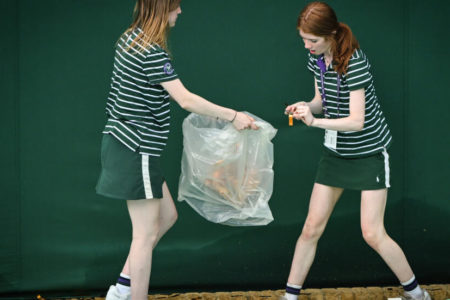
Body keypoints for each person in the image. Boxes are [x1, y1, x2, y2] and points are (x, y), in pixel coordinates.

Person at [95, 1, 258, 299]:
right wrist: (233, 115)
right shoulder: (152, 53)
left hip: (128, 146)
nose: (180, 12)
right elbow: (185, 100)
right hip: (136, 149)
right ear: (161, 8)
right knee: (143, 236)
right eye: (176, 6)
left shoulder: (129, 38)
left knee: (166, 216)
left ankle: (120, 289)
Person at [282, 2, 430, 300]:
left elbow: (357, 121)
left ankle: (417, 295)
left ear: (331, 34)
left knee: (372, 233)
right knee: (311, 227)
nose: (307, 45)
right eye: (303, 39)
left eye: (313, 40)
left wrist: (314, 122)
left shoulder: (354, 62)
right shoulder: (316, 58)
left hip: (369, 153)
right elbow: (320, 101)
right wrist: (305, 107)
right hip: (335, 153)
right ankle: (289, 297)